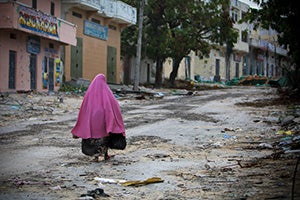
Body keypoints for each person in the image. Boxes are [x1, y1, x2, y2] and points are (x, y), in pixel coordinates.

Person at [71, 74, 126, 161]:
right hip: (103, 123)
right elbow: (114, 109)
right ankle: (105, 155)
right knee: (105, 138)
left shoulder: (89, 95)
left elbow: (83, 110)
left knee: (93, 139)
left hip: (92, 123)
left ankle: (96, 156)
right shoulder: (108, 94)